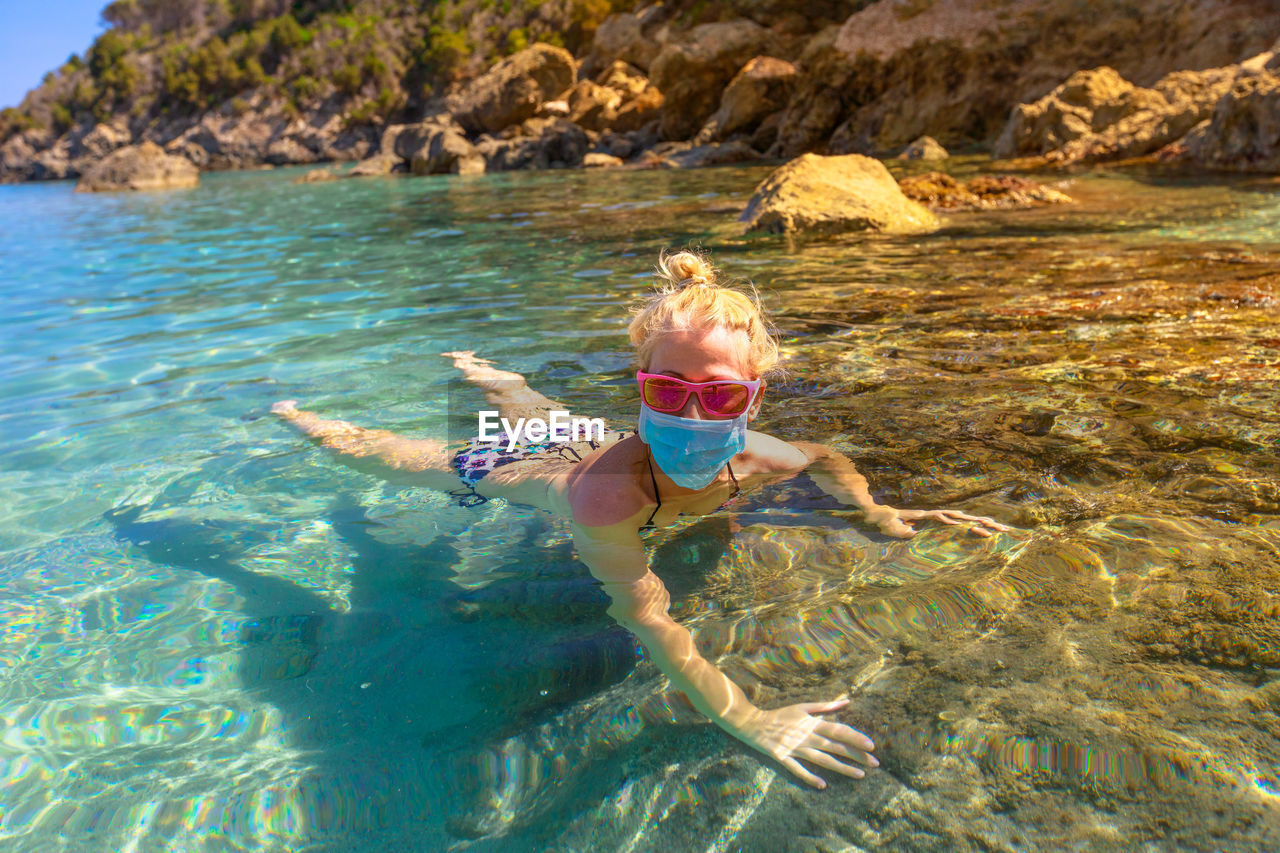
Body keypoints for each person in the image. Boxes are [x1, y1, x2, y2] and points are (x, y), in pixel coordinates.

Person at [271, 250, 1009, 789]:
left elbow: (825, 454)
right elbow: (646, 615)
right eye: (668, 391)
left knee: (540, 415)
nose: (691, 413)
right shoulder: (603, 502)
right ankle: (303, 417)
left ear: (752, 400)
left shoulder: (760, 455)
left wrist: (874, 511)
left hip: (602, 445)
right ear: (642, 389)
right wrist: (746, 716)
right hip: (561, 473)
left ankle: (491, 375)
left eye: (718, 398)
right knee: (404, 457)